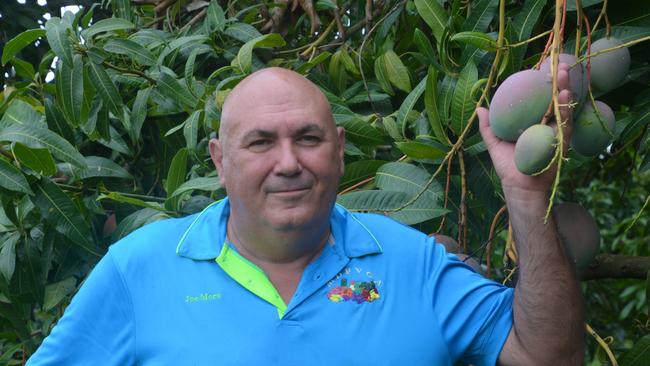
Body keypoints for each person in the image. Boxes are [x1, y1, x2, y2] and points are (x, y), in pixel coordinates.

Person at [28, 66, 583, 365]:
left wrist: (527, 197)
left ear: (340, 150)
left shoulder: (412, 261)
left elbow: (548, 355)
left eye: (309, 138)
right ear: (220, 162)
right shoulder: (138, 269)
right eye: (261, 142)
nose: (289, 163)